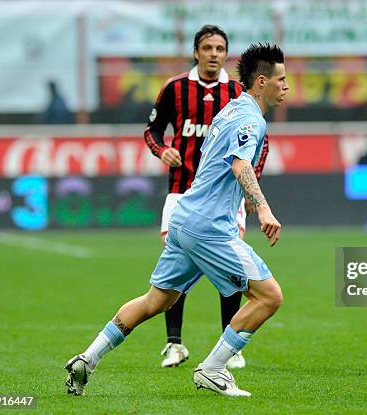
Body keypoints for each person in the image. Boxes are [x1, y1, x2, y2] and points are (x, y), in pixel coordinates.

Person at [65, 42, 288, 397]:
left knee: (157, 300)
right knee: (269, 297)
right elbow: (241, 164)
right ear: (261, 82)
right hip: (209, 227)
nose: (286, 87)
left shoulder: (229, 111)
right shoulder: (250, 119)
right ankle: (213, 369)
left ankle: (86, 359)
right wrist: (262, 207)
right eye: (281, 79)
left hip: (184, 217)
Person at [144, 25, 268, 370]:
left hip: (225, 198)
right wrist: (163, 150)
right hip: (181, 189)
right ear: (196, 52)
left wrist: (248, 186)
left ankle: (230, 345)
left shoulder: (237, 92)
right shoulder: (176, 88)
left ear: (226, 54)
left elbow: (260, 145)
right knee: (176, 269)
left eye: (220, 48)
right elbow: (152, 130)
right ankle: (174, 343)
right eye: (208, 47)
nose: (214, 53)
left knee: (230, 268)